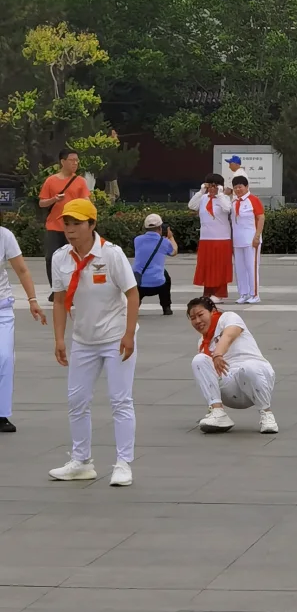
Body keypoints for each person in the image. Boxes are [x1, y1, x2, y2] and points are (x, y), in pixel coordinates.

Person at [49, 198, 139, 486]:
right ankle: (81, 461)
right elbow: (60, 300)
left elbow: (132, 293)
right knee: (76, 401)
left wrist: (128, 334)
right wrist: (59, 339)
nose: (71, 230)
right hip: (83, 340)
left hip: (115, 338)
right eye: (67, 224)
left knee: (120, 400)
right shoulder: (60, 257)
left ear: (92, 224)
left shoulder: (111, 255)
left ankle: (124, 463)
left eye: (77, 223)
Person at [187, 295, 278, 434]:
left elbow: (229, 335)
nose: (198, 321)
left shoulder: (228, 318)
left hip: (258, 378)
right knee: (199, 360)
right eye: (193, 318)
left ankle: (267, 414)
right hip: (231, 388)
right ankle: (217, 412)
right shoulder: (202, 343)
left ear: (212, 311)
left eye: (200, 315)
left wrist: (218, 354)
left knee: (248, 368)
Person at [0, 220, 48, 431]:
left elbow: (22, 270)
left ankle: (1, 414)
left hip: (2, 308)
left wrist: (32, 300)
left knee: (5, 358)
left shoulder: (4, 236)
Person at [38, 150, 91, 302]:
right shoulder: (51, 181)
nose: (75, 163)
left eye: (77, 160)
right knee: (51, 258)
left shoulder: (80, 181)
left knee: (75, 258)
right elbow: (42, 202)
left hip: (74, 227)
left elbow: (86, 199)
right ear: (62, 162)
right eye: (72, 160)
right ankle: (56, 290)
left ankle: (74, 290)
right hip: (54, 226)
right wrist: (54, 199)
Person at [191, 174, 233, 301]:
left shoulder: (224, 198)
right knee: (207, 266)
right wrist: (201, 191)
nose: (212, 188)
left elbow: (227, 208)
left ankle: (220, 293)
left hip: (221, 239)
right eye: (210, 185)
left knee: (219, 266)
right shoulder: (203, 198)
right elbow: (192, 206)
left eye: (214, 185)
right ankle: (208, 292)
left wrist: (219, 193)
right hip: (205, 238)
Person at [132, 213, 177, 315]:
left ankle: (135, 305)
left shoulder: (137, 240)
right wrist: (171, 238)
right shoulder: (164, 242)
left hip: (139, 284)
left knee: (137, 275)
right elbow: (174, 252)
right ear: (160, 228)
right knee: (165, 276)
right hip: (158, 284)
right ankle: (166, 307)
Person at [230, 175, 265, 305]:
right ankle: (243, 293)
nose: (238, 189)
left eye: (240, 187)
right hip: (237, 241)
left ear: (246, 187)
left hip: (251, 240)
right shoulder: (233, 202)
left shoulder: (253, 200)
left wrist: (257, 236)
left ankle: (255, 294)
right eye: (235, 187)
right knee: (240, 268)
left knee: (252, 267)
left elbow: (261, 218)